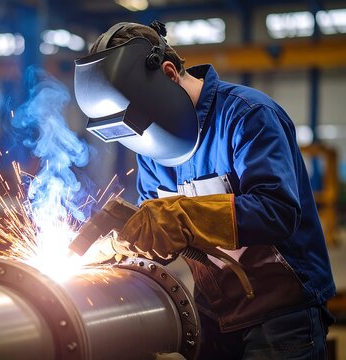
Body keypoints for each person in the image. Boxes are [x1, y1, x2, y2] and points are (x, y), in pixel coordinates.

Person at [73, 21, 336, 359]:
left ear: (168, 74)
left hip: (281, 315)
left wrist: (183, 216)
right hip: (213, 312)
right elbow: (160, 234)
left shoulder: (248, 116)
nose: (142, 141)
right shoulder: (153, 146)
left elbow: (277, 211)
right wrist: (126, 242)